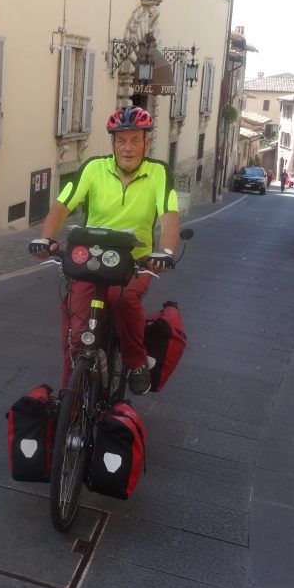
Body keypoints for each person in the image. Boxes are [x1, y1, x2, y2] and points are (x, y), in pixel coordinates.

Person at [29, 106, 179, 395]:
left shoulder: (159, 172)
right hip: (90, 258)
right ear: (112, 143)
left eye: (135, 140)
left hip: (136, 261)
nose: (128, 148)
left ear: (147, 143)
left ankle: (136, 361)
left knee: (119, 296)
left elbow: (170, 215)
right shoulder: (93, 168)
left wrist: (166, 252)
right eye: (121, 141)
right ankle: (70, 396)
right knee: (75, 328)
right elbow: (63, 204)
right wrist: (46, 239)